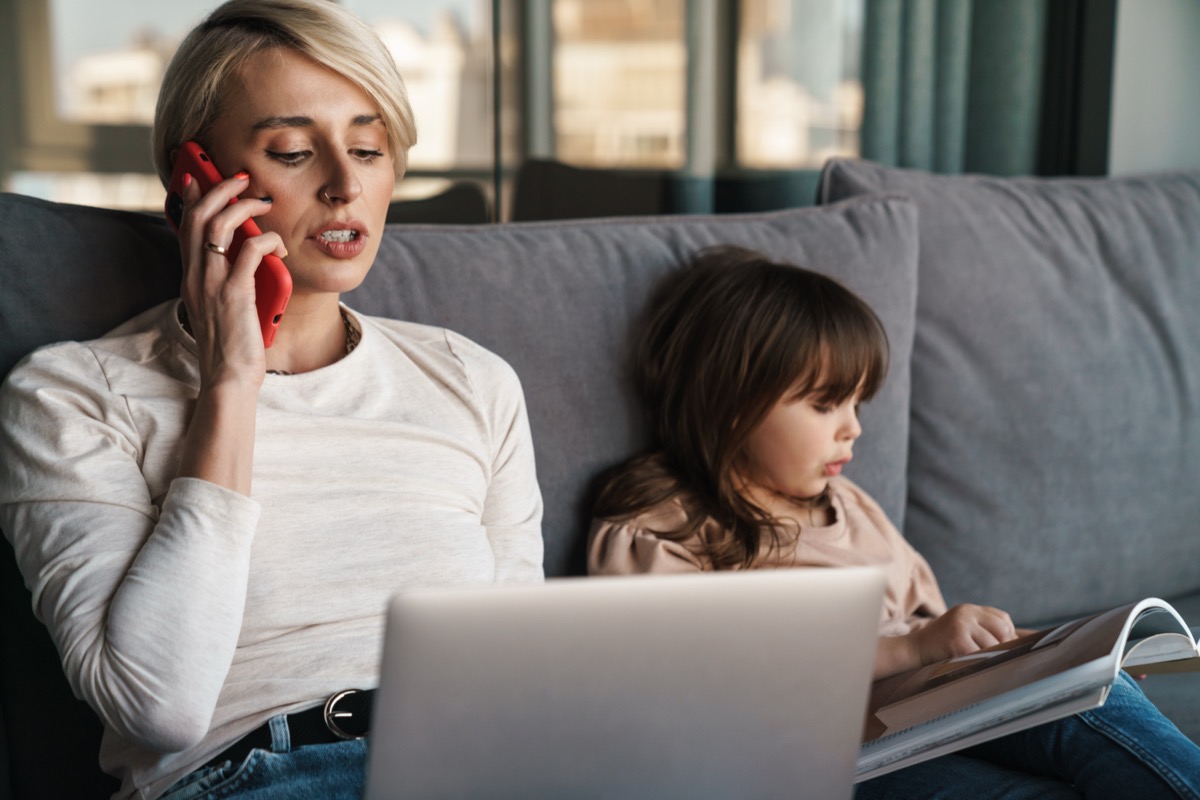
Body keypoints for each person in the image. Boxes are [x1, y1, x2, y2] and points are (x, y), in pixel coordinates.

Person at [0, 1, 542, 798]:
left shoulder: (472, 381)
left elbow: (521, 668)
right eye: (292, 150)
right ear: (195, 180)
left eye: (368, 146)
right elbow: (159, 705)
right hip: (255, 774)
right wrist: (230, 384)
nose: (345, 183)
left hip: (480, 764)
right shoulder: (72, 397)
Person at [588, 244, 1200, 800]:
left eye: (857, 402)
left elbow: (940, 635)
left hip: (939, 718)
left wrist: (1073, 653)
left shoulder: (850, 506)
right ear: (727, 403)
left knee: (1097, 701)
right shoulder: (660, 531)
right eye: (825, 404)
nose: (853, 426)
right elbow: (688, 676)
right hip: (821, 760)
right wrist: (911, 647)